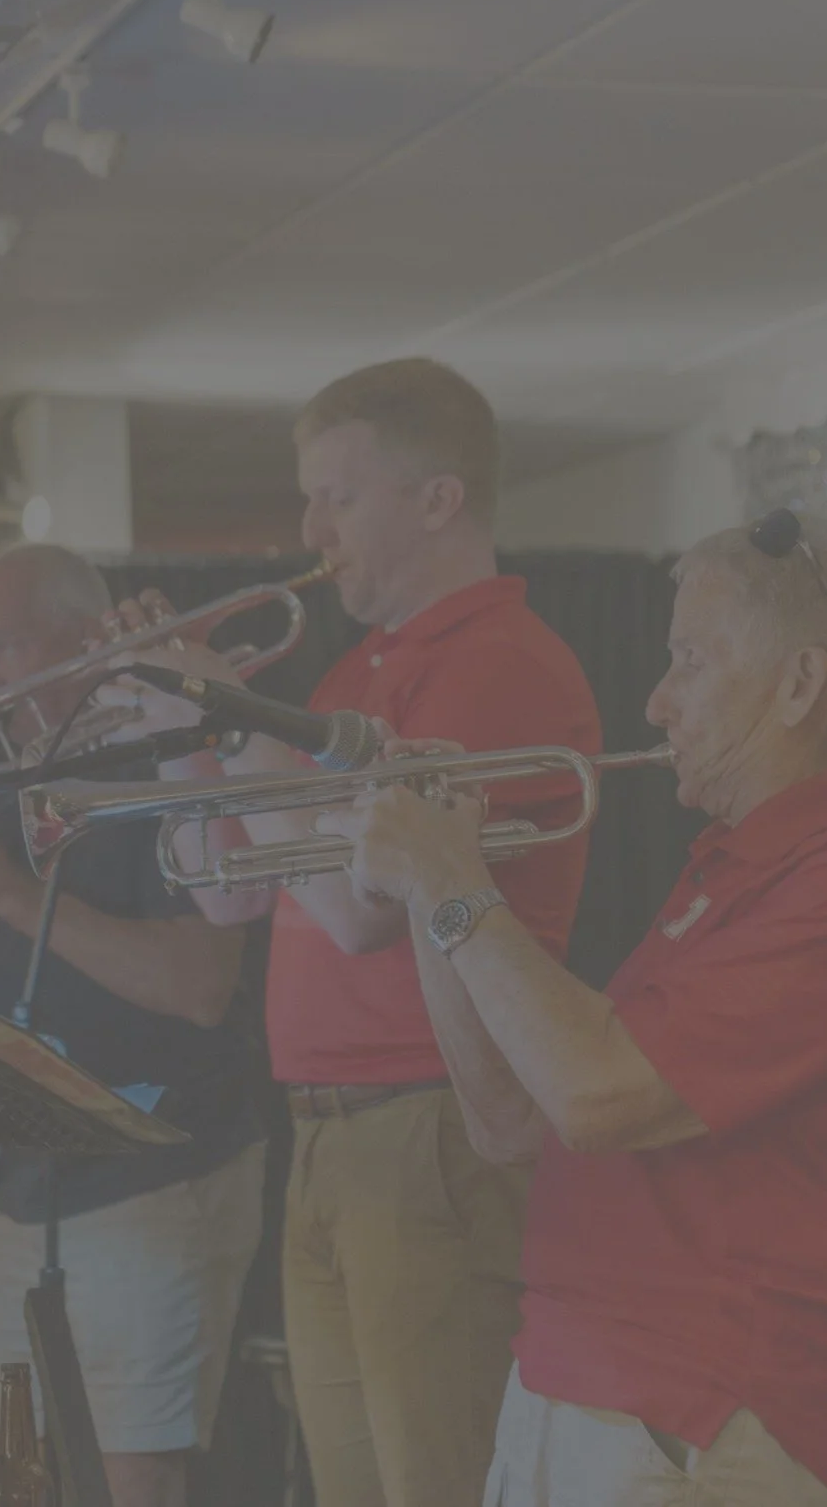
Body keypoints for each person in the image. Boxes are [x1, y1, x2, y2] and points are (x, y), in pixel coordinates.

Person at [341, 510, 827, 1507]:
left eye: (689, 660)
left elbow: (596, 1095)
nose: (656, 701)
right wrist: (431, 896)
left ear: (800, 685)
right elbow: (508, 1119)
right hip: (585, 1391)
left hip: (703, 1418)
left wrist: (454, 885)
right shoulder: (736, 868)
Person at [118, 358, 601, 1506]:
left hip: (430, 1128)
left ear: (437, 500)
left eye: (335, 497)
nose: (309, 532)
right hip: (327, 1133)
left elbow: (355, 912)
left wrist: (227, 719)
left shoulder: (497, 664)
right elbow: (227, 893)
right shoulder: (350, 672)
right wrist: (175, 735)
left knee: (434, 1483)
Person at [0, 542, 265, 1507]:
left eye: (10, 646)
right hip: (20, 1178)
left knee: (126, 1473)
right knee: (10, 1467)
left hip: (150, 1175)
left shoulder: (163, 754)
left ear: (89, 635)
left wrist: (12, 896)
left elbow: (201, 984)